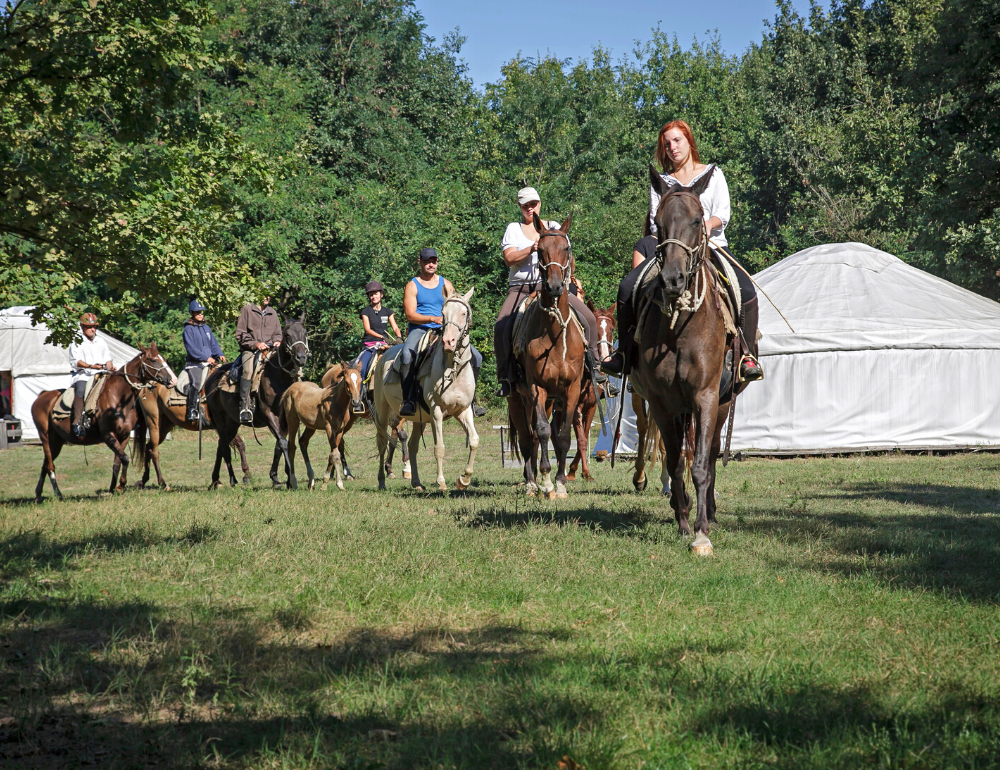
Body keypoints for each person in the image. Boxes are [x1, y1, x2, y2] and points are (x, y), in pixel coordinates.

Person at [601, 120, 763, 381]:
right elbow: (656, 219)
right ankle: (625, 353)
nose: (672, 147)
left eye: (677, 141)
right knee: (627, 287)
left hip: (712, 246)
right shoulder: (662, 182)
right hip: (671, 250)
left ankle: (747, 354)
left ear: (689, 141)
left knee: (745, 290)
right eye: (666, 144)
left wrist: (707, 226)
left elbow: (723, 214)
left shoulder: (712, 173)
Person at [493, 187, 609, 397]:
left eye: (533, 203)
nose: (530, 208)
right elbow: (509, 258)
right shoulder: (514, 228)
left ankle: (594, 366)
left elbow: (568, 257)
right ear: (520, 207)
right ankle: (506, 377)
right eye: (525, 205)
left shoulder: (555, 227)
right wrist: (532, 248)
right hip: (522, 288)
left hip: (554, 286)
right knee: (502, 326)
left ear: (539, 203)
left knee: (590, 319)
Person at [398, 248, 484, 417]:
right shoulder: (412, 285)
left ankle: (471, 401)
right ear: (420, 263)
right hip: (420, 329)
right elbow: (410, 314)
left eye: (434, 261)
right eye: (427, 261)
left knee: (477, 357)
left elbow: (454, 306)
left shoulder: (446, 284)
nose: (431, 264)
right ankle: (408, 400)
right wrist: (433, 318)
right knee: (407, 356)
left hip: (445, 329)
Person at [235, 296, 282, 424]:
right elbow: (240, 334)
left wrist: (277, 341)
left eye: (269, 295)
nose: (267, 297)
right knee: (248, 371)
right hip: (251, 350)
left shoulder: (273, 312)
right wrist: (256, 344)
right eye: (263, 294)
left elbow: (278, 333)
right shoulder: (246, 309)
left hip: (271, 350)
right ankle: (244, 407)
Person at [67, 313, 115, 439]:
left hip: (101, 374)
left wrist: (111, 367)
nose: (92, 329)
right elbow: (76, 361)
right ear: (82, 327)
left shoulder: (101, 341)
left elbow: (108, 360)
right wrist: (91, 366)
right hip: (83, 375)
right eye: (89, 327)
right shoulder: (76, 341)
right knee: (81, 390)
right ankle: (77, 422)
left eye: (94, 327)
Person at [182, 300, 226, 423]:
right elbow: (191, 349)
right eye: (198, 312)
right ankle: (192, 410)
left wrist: (220, 354)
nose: (201, 314)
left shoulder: (206, 328)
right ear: (192, 313)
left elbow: (213, 344)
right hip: (195, 364)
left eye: (201, 312)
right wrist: (206, 358)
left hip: (210, 362)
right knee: (196, 383)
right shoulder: (188, 329)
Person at [358, 281, 401, 380]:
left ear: (381, 295)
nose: (374, 297)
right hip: (370, 345)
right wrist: (382, 337)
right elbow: (367, 330)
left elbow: (395, 327)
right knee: (362, 369)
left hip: (384, 344)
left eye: (376, 294)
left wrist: (399, 337)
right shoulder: (365, 311)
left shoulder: (387, 311)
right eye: (371, 295)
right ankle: (361, 394)